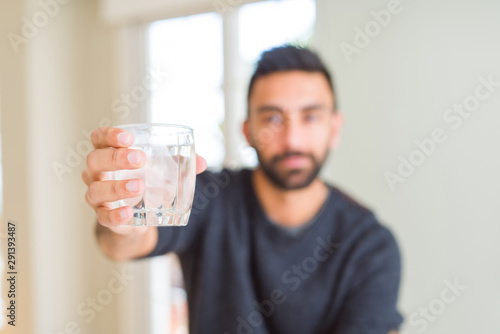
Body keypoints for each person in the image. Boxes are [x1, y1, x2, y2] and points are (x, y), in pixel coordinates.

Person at [82, 45, 403, 334]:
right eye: (273, 118)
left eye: (310, 117)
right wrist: (123, 218)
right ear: (247, 132)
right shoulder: (211, 197)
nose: (292, 139)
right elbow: (123, 243)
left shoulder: (370, 245)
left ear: (334, 129)